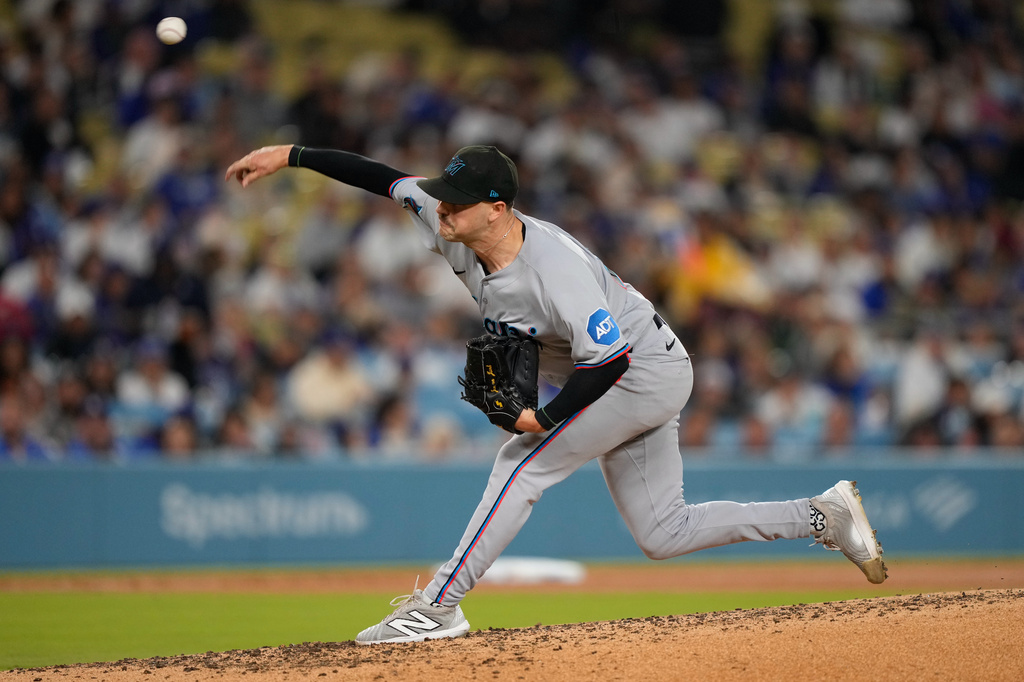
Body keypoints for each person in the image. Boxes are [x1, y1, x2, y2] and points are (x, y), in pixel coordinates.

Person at [225, 143, 887, 645]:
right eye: (442, 195)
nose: (441, 205)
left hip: (641, 370)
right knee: (663, 531)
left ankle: (438, 607)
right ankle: (823, 515)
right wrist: (290, 156)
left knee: (523, 461)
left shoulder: (554, 270)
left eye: (456, 197)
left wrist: (546, 417)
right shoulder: (447, 214)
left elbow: (611, 360)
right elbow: (382, 179)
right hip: (632, 365)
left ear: (498, 208)